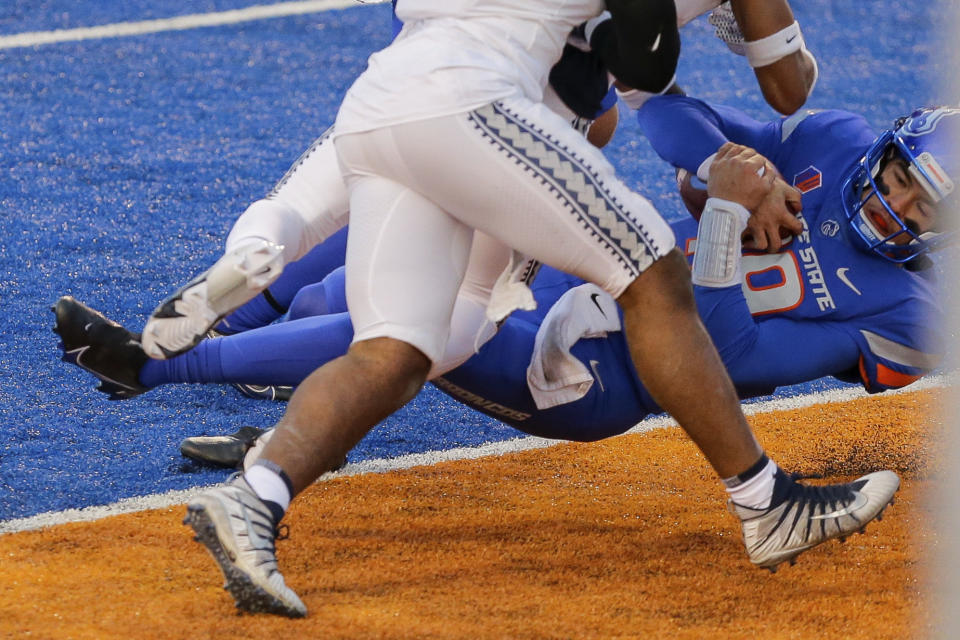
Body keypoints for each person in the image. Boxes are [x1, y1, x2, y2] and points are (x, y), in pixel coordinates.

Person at [55, 99, 951, 467]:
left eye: (929, 208)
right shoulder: (832, 146)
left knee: (410, 319)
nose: (902, 208)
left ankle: (153, 368)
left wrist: (721, 216)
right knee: (442, 194)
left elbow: (736, 357)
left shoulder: (911, 311)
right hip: (590, 270)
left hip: (601, 378)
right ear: (889, 151)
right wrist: (726, 159)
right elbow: (665, 104)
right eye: (908, 178)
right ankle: (257, 345)